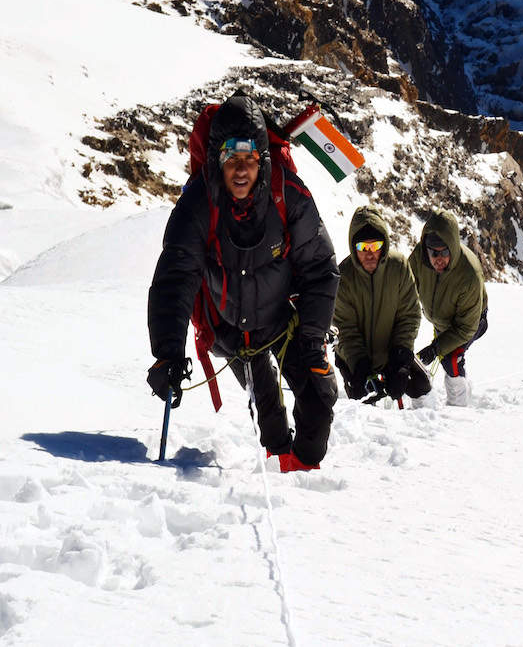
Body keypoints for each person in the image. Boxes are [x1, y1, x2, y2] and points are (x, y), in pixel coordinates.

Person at [147, 93, 340, 472]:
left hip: (281, 322)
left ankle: (304, 482)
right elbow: (176, 275)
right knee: (269, 418)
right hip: (228, 328)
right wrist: (167, 353)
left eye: (249, 158)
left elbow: (320, 267)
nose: (239, 170)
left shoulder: (290, 195)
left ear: (262, 160)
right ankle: (283, 470)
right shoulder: (198, 204)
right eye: (230, 159)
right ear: (217, 159)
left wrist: (314, 343)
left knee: (319, 401)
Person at [333, 205, 431, 405]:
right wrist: (359, 363)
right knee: (362, 403)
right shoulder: (343, 277)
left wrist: (401, 356)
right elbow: (344, 328)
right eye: (362, 247)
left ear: (384, 245)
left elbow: (409, 315)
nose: (370, 253)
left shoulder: (399, 267)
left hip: (391, 352)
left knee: (421, 386)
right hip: (356, 359)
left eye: (375, 246)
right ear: (354, 247)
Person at [410, 210, 488, 407]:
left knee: (451, 358)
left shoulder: (469, 274)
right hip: (441, 318)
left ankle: (458, 406)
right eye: (433, 252)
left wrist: (436, 348)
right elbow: (404, 288)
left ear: (452, 248)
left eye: (444, 251)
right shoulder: (419, 258)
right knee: (443, 355)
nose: (438, 258)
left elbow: (465, 328)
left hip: (471, 320)